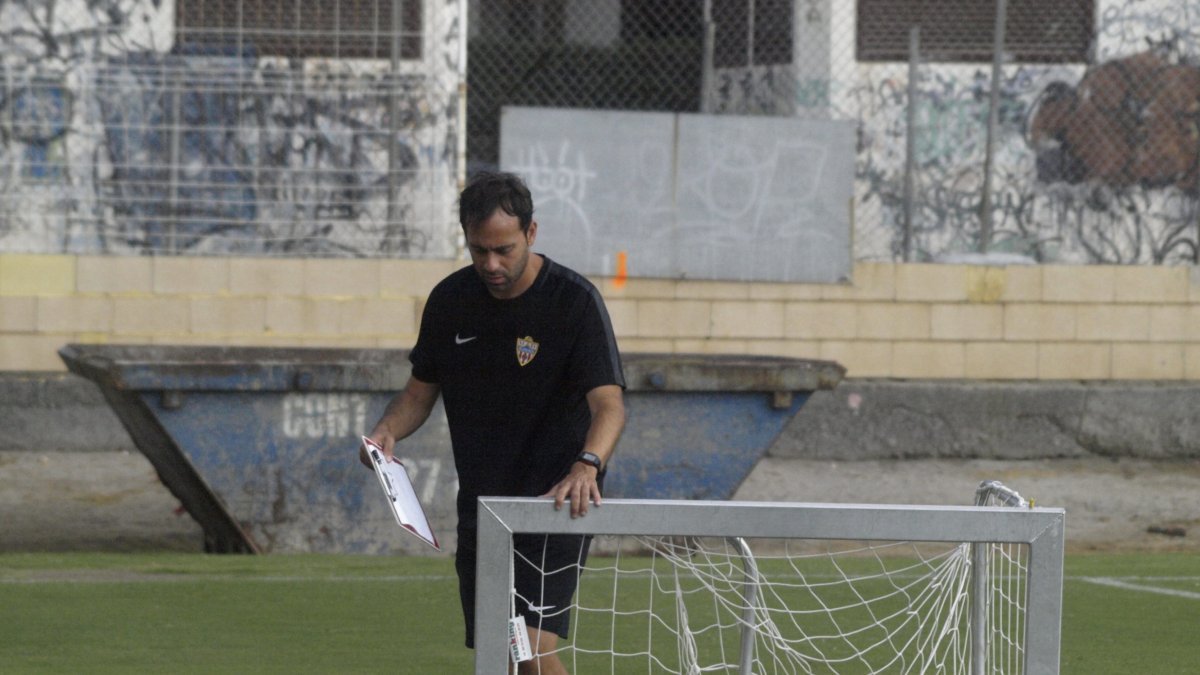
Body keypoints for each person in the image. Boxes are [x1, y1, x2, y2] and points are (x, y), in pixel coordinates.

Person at [359, 171, 626, 674]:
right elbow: (419, 392)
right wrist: (387, 430)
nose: (491, 263)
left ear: (531, 233)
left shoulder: (573, 301)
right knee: (498, 649)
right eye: (479, 250)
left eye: (503, 249)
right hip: (486, 506)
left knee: (526, 646)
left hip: (556, 502)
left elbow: (609, 404)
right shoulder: (450, 301)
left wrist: (588, 464)